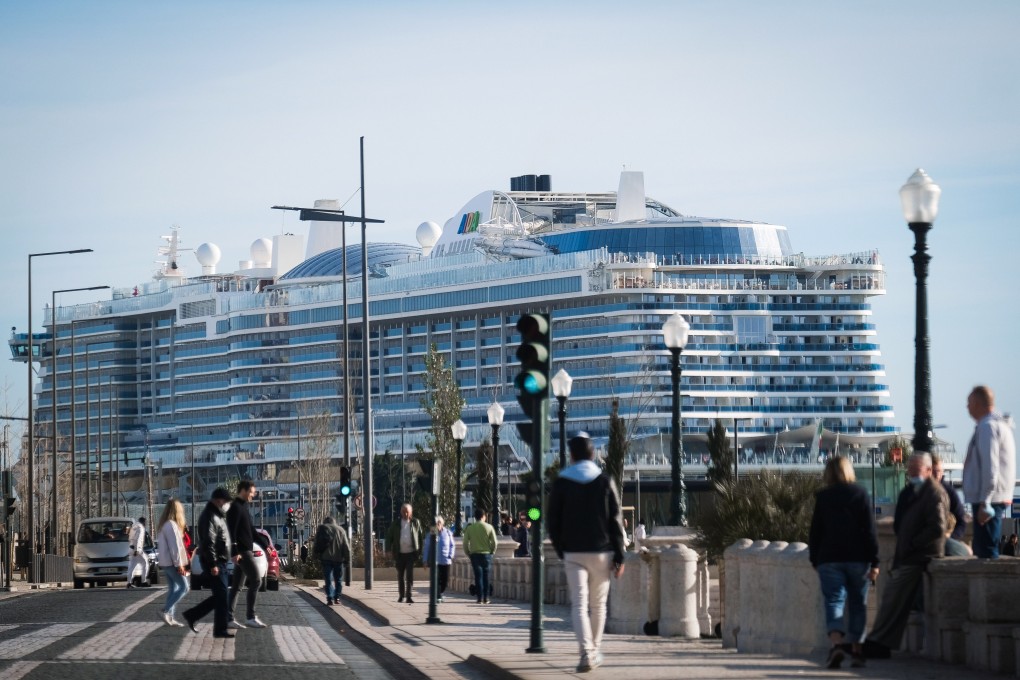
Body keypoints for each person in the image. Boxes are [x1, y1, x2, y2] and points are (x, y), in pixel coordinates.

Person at [547, 433, 626, 673]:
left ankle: (586, 653)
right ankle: (595, 649)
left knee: (579, 605)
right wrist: (620, 555)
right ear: (594, 455)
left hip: (573, 552)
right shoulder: (604, 481)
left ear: (571, 456)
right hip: (602, 552)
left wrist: (561, 549)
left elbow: (552, 521)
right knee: (598, 605)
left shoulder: (561, 482)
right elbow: (615, 519)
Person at [864, 452, 948, 658]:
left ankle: (879, 642)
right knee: (893, 598)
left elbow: (938, 527)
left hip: (920, 554)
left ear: (928, 471)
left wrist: (912, 543)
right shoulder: (913, 491)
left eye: (915, 469)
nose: (911, 473)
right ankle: (880, 641)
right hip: (909, 553)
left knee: (894, 595)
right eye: (909, 469)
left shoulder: (934, 493)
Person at [808, 456, 879, 669]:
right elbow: (870, 530)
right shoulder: (860, 494)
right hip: (858, 558)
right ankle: (857, 650)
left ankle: (837, 644)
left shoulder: (823, 497)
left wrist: (815, 559)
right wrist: (875, 561)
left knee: (834, 601)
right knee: (858, 604)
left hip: (829, 559)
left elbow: (815, 532)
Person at [963, 385, 1016, 559]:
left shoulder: (988, 427)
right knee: (987, 548)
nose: (967, 407)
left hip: (988, 500)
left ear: (978, 403)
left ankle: (987, 587)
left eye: (969, 402)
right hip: (993, 497)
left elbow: (990, 467)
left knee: (985, 551)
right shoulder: (997, 425)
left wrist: (985, 501)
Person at [182, 487, 234, 638]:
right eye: (225, 501)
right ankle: (219, 629)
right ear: (218, 500)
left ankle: (193, 615)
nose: (226, 504)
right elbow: (209, 542)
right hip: (215, 562)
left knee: (221, 596)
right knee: (223, 596)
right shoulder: (210, 516)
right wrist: (213, 564)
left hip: (219, 561)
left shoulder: (217, 515)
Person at [226, 480, 266, 629]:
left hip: (244, 550)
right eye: (251, 492)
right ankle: (250, 617)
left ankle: (228, 618)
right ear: (243, 490)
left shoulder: (243, 507)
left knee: (236, 586)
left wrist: (266, 545)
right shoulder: (235, 508)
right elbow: (231, 531)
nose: (253, 495)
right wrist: (234, 551)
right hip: (242, 552)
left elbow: (252, 531)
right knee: (256, 580)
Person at [156, 499, 190, 627]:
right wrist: (179, 564)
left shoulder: (164, 524)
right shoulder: (171, 525)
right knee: (184, 587)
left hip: (166, 562)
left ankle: (170, 617)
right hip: (172, 562)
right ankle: (165, 610)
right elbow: (175, 546)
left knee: (174, 588)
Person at [385, 503, 423, 603]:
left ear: (411, 512)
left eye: (407, 512)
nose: (405, 514)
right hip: (399, 554)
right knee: (400, 576)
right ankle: (401, 595)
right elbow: (389, 537)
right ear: (401, 512)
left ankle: (409, 596)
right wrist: (388, 549)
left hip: (411, 553)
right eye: (403, 512)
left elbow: (420, 538)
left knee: (409, 575)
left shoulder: (415, 523)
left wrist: (419, 552)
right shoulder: (396, 524)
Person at [312, 515, 350, 605]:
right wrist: (347, 559)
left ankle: (329, 597)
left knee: (328, 579)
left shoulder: (322, 529)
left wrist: (314, 556)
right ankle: (337, 597)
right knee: (338, 579)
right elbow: (346, 547)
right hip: (338, 558)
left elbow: (316, 543)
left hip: (326, 558)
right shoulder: (341, 530)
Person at [932, 454, 966, 550]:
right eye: (933, 471)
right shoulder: (922, 492)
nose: (936, 475)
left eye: (938, 471)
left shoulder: (949, 492)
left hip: (947, 540)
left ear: (942, 472)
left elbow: (962, 521)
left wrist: (951, 537)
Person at [463, 508, 497, 604]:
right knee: (486, 576)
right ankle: (486, 598)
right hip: (486, 554)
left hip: (475, 555)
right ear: (483, 517)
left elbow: (465, 543)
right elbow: (495, 542)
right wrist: (492, 552)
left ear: (475, 517)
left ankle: (479, 598)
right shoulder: (489, 527)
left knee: (478, 577)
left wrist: (468, 553)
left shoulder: (470, 528)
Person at [422, 515, 455, 601]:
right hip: (435, 561)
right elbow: (427, 547)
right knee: (436, 580)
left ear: (442, 523)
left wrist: (450, 555)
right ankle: (437, 596)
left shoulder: (448, 532)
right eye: (436, 523)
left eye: (439, 523)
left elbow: (452, 545)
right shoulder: (432, 533)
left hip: (446, 560)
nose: (438, 525)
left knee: (445, 580)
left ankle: (439, 593)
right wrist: (425, 560)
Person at [127, 517, 149, 588]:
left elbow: (130, 538)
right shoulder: (141, 528)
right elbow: (138, 539)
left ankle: (129, 582)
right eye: (145, 522)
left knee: (132, 566)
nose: (146, 524)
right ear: (143, 522)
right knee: (145, 563)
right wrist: (137, 549)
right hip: (137, 550)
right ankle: (144, 581)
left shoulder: (134, 526)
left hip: (131, 548)